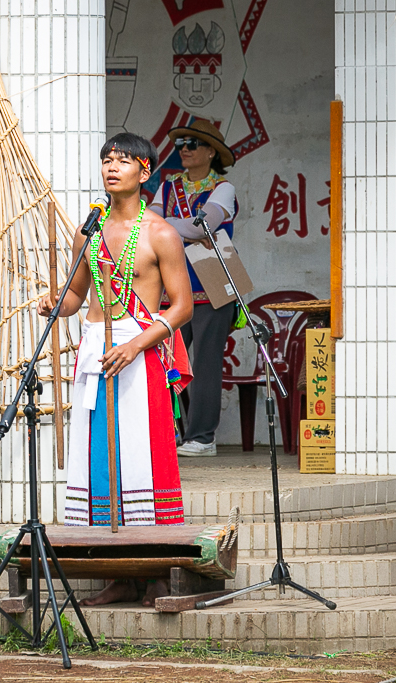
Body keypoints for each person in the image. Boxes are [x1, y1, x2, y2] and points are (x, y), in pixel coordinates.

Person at [37, 133, 193, 606]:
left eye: (123, 161)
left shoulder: (159, 233)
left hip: (140, 350)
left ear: (145, 172)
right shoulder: (89, 231)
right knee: (100, 459)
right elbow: (77, 296)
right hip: (94, 347)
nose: (112, 167)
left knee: (143, 459)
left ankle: (156, 573)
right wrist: (53, 303)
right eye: (107, 160)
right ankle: (119, 574)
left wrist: (137, 346)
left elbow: (182, 307)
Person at [147, 119, 237, 458]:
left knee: (207, 362)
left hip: (213, 283)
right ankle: (169, 433)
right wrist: (170, 225)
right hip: (173, 286)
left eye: (192, 143)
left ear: (211, 152)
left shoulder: (223, 188)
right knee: (165, 362)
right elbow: (149, 223)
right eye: (181, 142)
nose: (184, 148)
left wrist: (164, 224)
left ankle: (202, 437)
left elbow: (204, 225)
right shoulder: (168, 186)